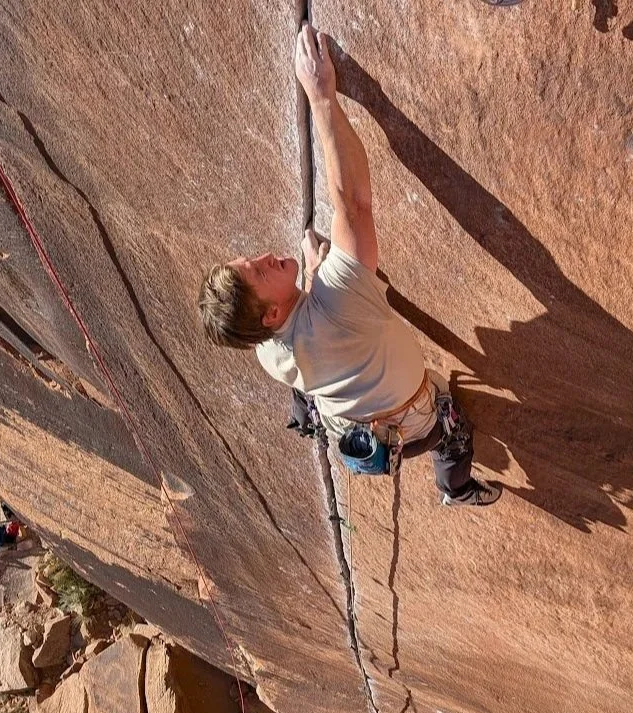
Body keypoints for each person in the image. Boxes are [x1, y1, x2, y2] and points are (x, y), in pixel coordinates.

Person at [197, 23, 501, 507]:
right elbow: (355, 205)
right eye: (258, 272)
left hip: (348, 422)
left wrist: (317, 274)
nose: (263, 257)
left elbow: (317, 322)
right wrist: (321, 97)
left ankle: (307, 417)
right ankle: (456, 487)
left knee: (307, 387)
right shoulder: (336, 299)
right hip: (411, 424)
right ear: (270, 314)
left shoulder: (263, 348)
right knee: (453, 428)